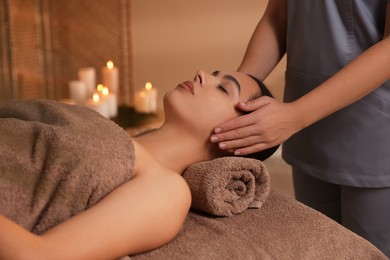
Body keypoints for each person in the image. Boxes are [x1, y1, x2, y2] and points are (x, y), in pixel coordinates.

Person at [0, 70, 277, 259]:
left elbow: (37, 255)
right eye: (215, 73)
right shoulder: (105, 129)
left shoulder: (167, 191)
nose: (202, 73)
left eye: (223, 88)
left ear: (242, 134)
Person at [209, 0, 390, 256]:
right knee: (317, 249)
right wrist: (234, 96)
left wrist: (295, 116)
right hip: (308, 135)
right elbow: (277, 16)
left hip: (374, 133)